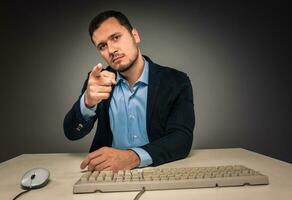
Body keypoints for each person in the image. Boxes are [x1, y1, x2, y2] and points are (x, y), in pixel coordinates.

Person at [63, 10, 195, 172]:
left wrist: (132, 157)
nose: (111, 50)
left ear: (135, 36)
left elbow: (182, 139)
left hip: (159, 169)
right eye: (102, 46)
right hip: (108, 174)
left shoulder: (176, 81)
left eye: (116, 37)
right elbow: (71, 132)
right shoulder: (98, 82)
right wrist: (87, 103)